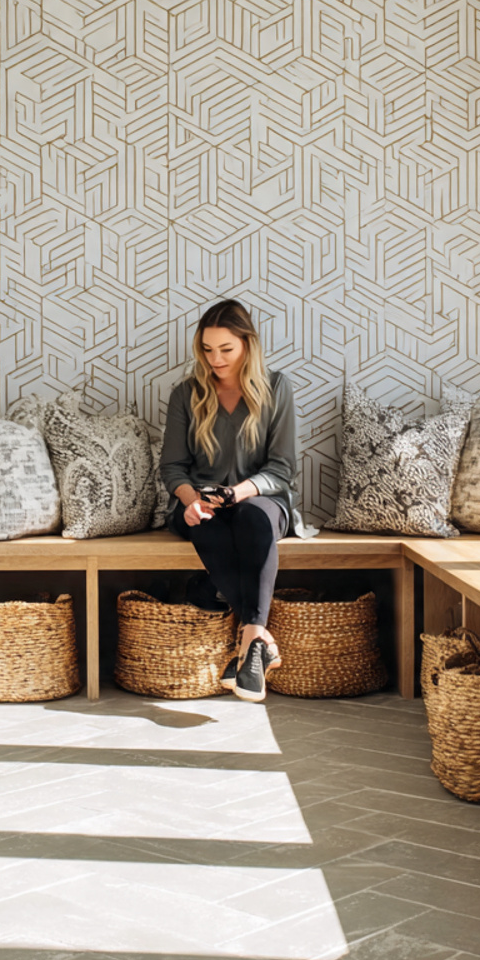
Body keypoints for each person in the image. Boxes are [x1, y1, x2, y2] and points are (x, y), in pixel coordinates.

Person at [159, 299, 311, 702]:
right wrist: (191, 500)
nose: (216, 359)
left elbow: (281, 467)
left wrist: (236, 493)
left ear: (248, 344)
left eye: (226, 349)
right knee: (207, 525)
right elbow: (172, 468)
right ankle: (257, 641)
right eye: (207, 349)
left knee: (251, 519)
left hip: (261, 500)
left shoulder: (276, 387)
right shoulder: (186, 394)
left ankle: (248, 636)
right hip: (201, 505)